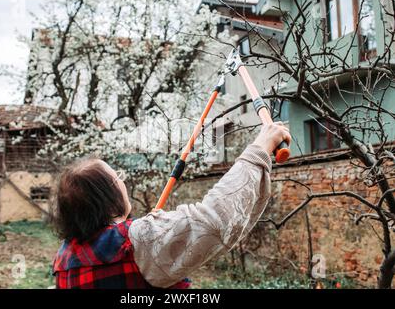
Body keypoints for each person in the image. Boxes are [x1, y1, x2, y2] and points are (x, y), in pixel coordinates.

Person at [52, 122, 291, 289]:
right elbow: (214, 219)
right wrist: (261, 146)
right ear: (108, 196)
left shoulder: (64, 259)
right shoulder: (138, 240)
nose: (123, 182)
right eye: (118, 177)